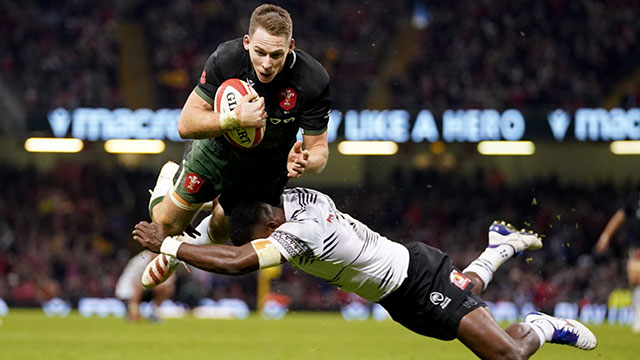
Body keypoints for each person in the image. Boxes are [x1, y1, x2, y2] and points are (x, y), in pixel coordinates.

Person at [133, 187, 597, 358]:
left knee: (505, 356)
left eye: (259, 238)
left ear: (271, 226)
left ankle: (541, 324)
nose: (260, 246)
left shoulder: (302, 232)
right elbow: (232, 211)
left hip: (417, 278)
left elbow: (238, 263)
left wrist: (170, 243)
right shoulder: (297, 199)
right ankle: (497, 248)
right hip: (400, 294)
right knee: (465, 300)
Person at [143, 4, 331, 287]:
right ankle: (169, 179)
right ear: (247, 42)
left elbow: (319, 150)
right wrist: (233, 119)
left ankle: (180, 248)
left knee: (223, 231)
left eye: (276, 54)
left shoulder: (312, 80)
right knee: (165, 225)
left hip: (266, 169)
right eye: (260, 52)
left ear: (291, 47)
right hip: (216, 154)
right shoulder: (227, 58)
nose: (267, 63)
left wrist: (305, 160)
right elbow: (185, 124)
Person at [596, 190, 640, 332]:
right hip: (637, 245)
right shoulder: (635, 198)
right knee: (636, 279)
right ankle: (638, 318)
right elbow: (619, 217)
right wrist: (605, 237)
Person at [115, 250, 176, 321]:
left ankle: (155, 313)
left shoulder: (166, 262)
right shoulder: (141, 259)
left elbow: (169, 282)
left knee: (167, 288)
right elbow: (135, 283)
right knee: (139, 286)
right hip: (127, 293)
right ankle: (133, 311)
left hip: (146, 291)